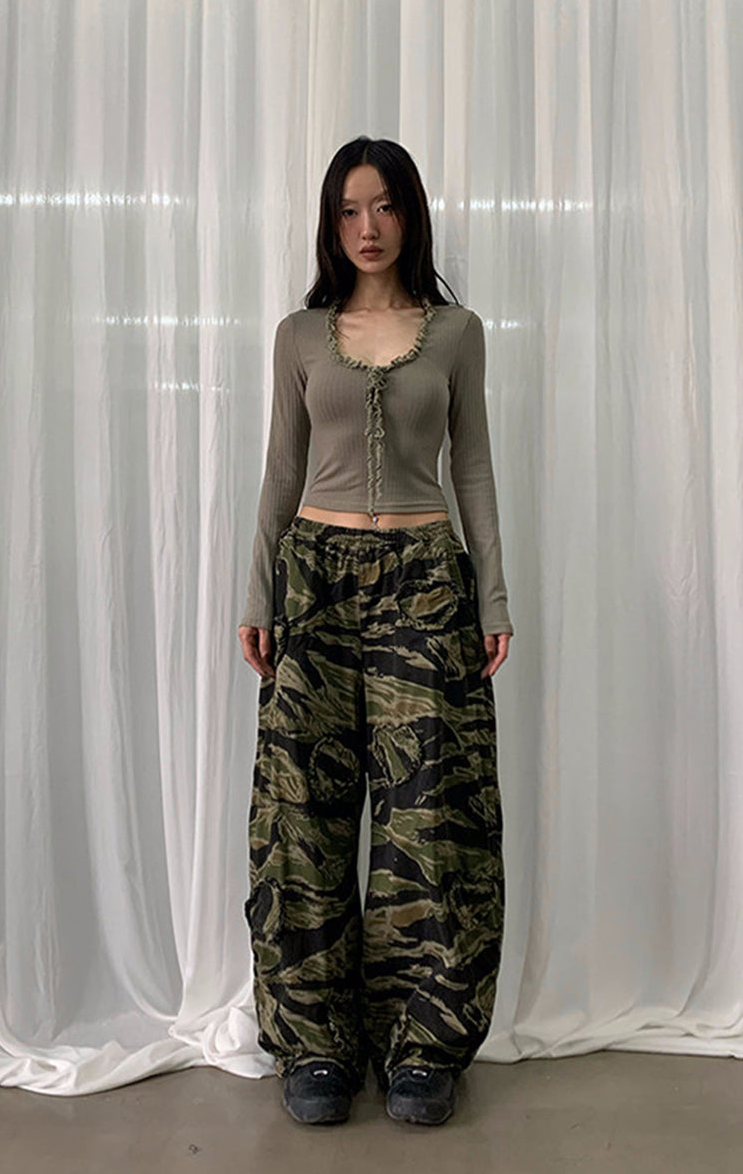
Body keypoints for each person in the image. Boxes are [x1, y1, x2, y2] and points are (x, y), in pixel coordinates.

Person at [237, 136, 513, 1128]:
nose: (368, 227)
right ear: (331, 222)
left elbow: (472, 467)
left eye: (385, 206)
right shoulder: (300, 335)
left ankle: (422, 1048)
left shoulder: (457, 333)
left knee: (430, 814)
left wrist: (491, 598)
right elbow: (280, 470)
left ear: (410, 216)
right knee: (301, 814)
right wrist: (258, 593)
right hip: (313, 579)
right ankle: (315, 1045)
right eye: (350, 209)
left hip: (426, 581)